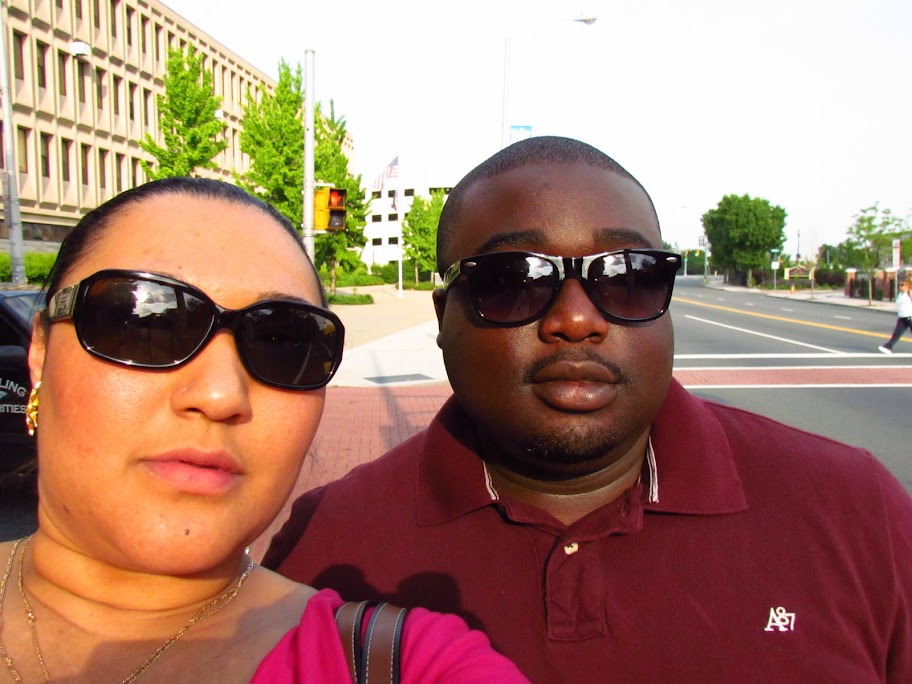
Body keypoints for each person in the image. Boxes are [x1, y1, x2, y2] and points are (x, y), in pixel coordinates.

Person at [264, 136, 912, 683]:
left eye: (627, 275)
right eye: (515, 279)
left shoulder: (856, 511)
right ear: (444, 319)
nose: (576, 320)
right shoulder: (330, 546)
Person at [0, 177, 527, 683]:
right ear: (40, 352)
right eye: (146, 324)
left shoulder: (412, 664)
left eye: (283, 341)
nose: (220, 396)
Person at [878, 278, 911, 353]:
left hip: (910, 316)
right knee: (897, 333)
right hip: (902, 316)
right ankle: (888, 347)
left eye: (902, 285)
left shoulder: (909, 293)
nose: (900, 286)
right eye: (899, 284)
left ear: (907, 286)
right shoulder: (900, 294)